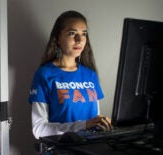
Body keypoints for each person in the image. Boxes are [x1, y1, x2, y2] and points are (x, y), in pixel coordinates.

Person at [29, 10, 112, 139]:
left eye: (83, 34)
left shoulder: (90, 75)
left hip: (90, 148)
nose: (79, 40)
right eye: (72, 33)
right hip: (61, 150)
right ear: (57, 39)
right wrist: (83, 125)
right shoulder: (44, 74)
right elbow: (39, 129)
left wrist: (103, 124)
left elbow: (94, 120)